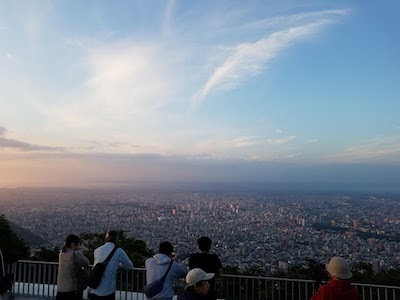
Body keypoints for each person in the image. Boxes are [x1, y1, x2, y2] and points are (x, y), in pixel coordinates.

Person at [88, 230, 133, 300]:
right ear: (116, 239)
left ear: (106, 239)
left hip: (93, 288)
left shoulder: (97, 250)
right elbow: (129, 266)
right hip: (108, 290)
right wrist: (119, 265)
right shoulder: (119, 251)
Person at [56, 234, 90, 300]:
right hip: (71, 288)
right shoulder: (76, 253)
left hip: (60, 289)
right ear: (72, 244)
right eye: (77, 244)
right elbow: (87, 262)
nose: (78, 245)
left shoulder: (61, 252)